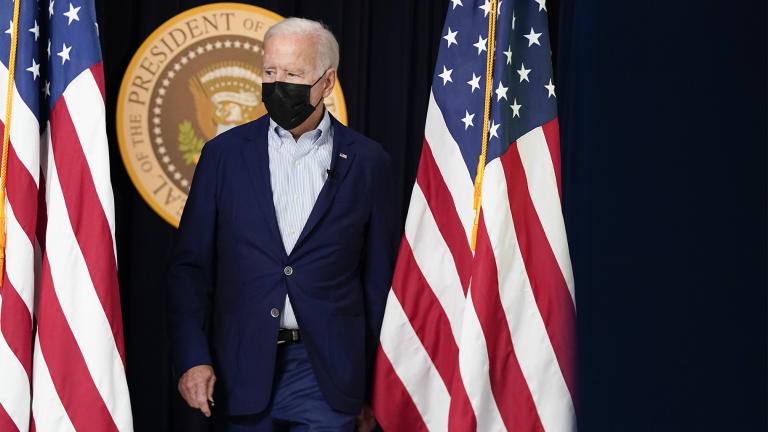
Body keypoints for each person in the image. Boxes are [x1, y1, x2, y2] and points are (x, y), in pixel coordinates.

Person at [167, 17, 397, 431]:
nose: (278, 84)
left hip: (327, 373)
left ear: (327, 83)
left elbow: (379, 282)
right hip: (239, 369)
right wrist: (192, 357)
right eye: (270, 72)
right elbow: (190, 268)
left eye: (292, 74)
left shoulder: (368, 162)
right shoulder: (224, 156)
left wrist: (378, 387)